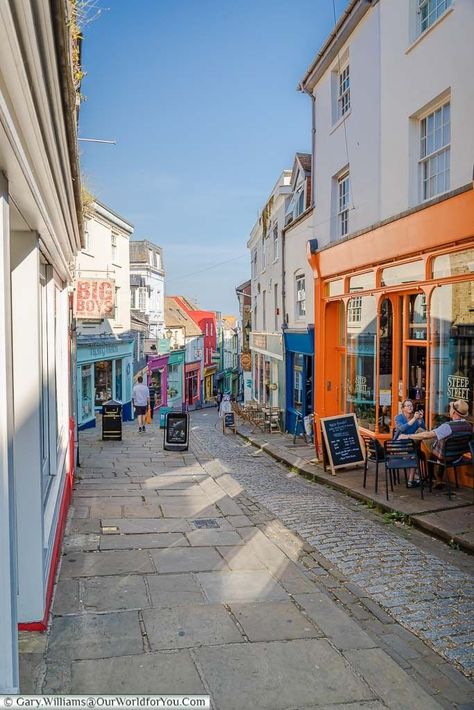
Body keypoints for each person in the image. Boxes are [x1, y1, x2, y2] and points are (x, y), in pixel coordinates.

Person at [400, 399, 472, 488]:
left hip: (444, 456)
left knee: (420, 432)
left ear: (453, 412)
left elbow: (427, 435)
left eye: (450, 408)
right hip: (457, 457)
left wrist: (408, 436)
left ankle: (409, 452)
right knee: (438, 450)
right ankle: (438, 479)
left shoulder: (448, 427)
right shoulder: (469, 426)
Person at [394, 399, 426, 487]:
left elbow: (423, 430)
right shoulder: (398, 417)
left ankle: (411, 480)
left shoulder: (415, 417)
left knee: (414, 452)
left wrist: (420, 420)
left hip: (411, 445)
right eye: (407, 406)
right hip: (398, 446)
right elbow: (402, 429)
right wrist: (414, 419)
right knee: (413, 454)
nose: (410, 407)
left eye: (411, 405)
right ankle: (412, 479)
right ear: (403, 408)